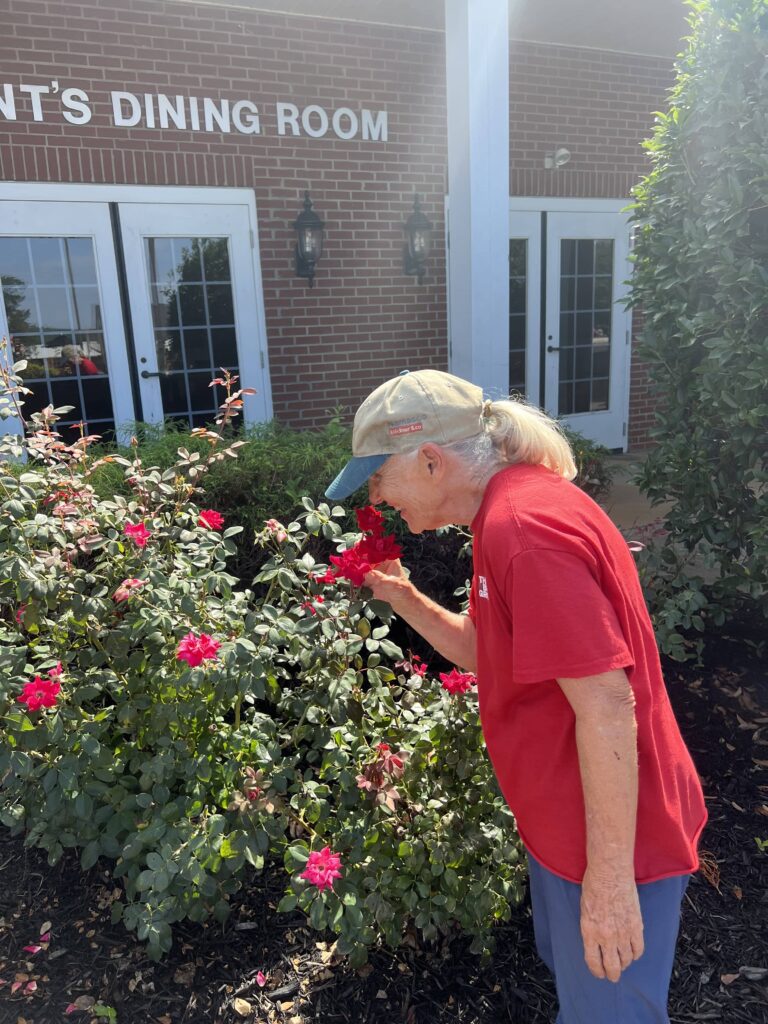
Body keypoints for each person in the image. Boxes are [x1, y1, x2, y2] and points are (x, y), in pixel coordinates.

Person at [325, 369, 706, 1024]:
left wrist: (610, 886)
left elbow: (607, 706)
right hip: (568, 827)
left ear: (432, 460)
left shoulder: (523, 532)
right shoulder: (503, 515)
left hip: (614, 846)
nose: (378, 494)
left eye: (379, 474)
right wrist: (404, 597)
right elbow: (488, 651)